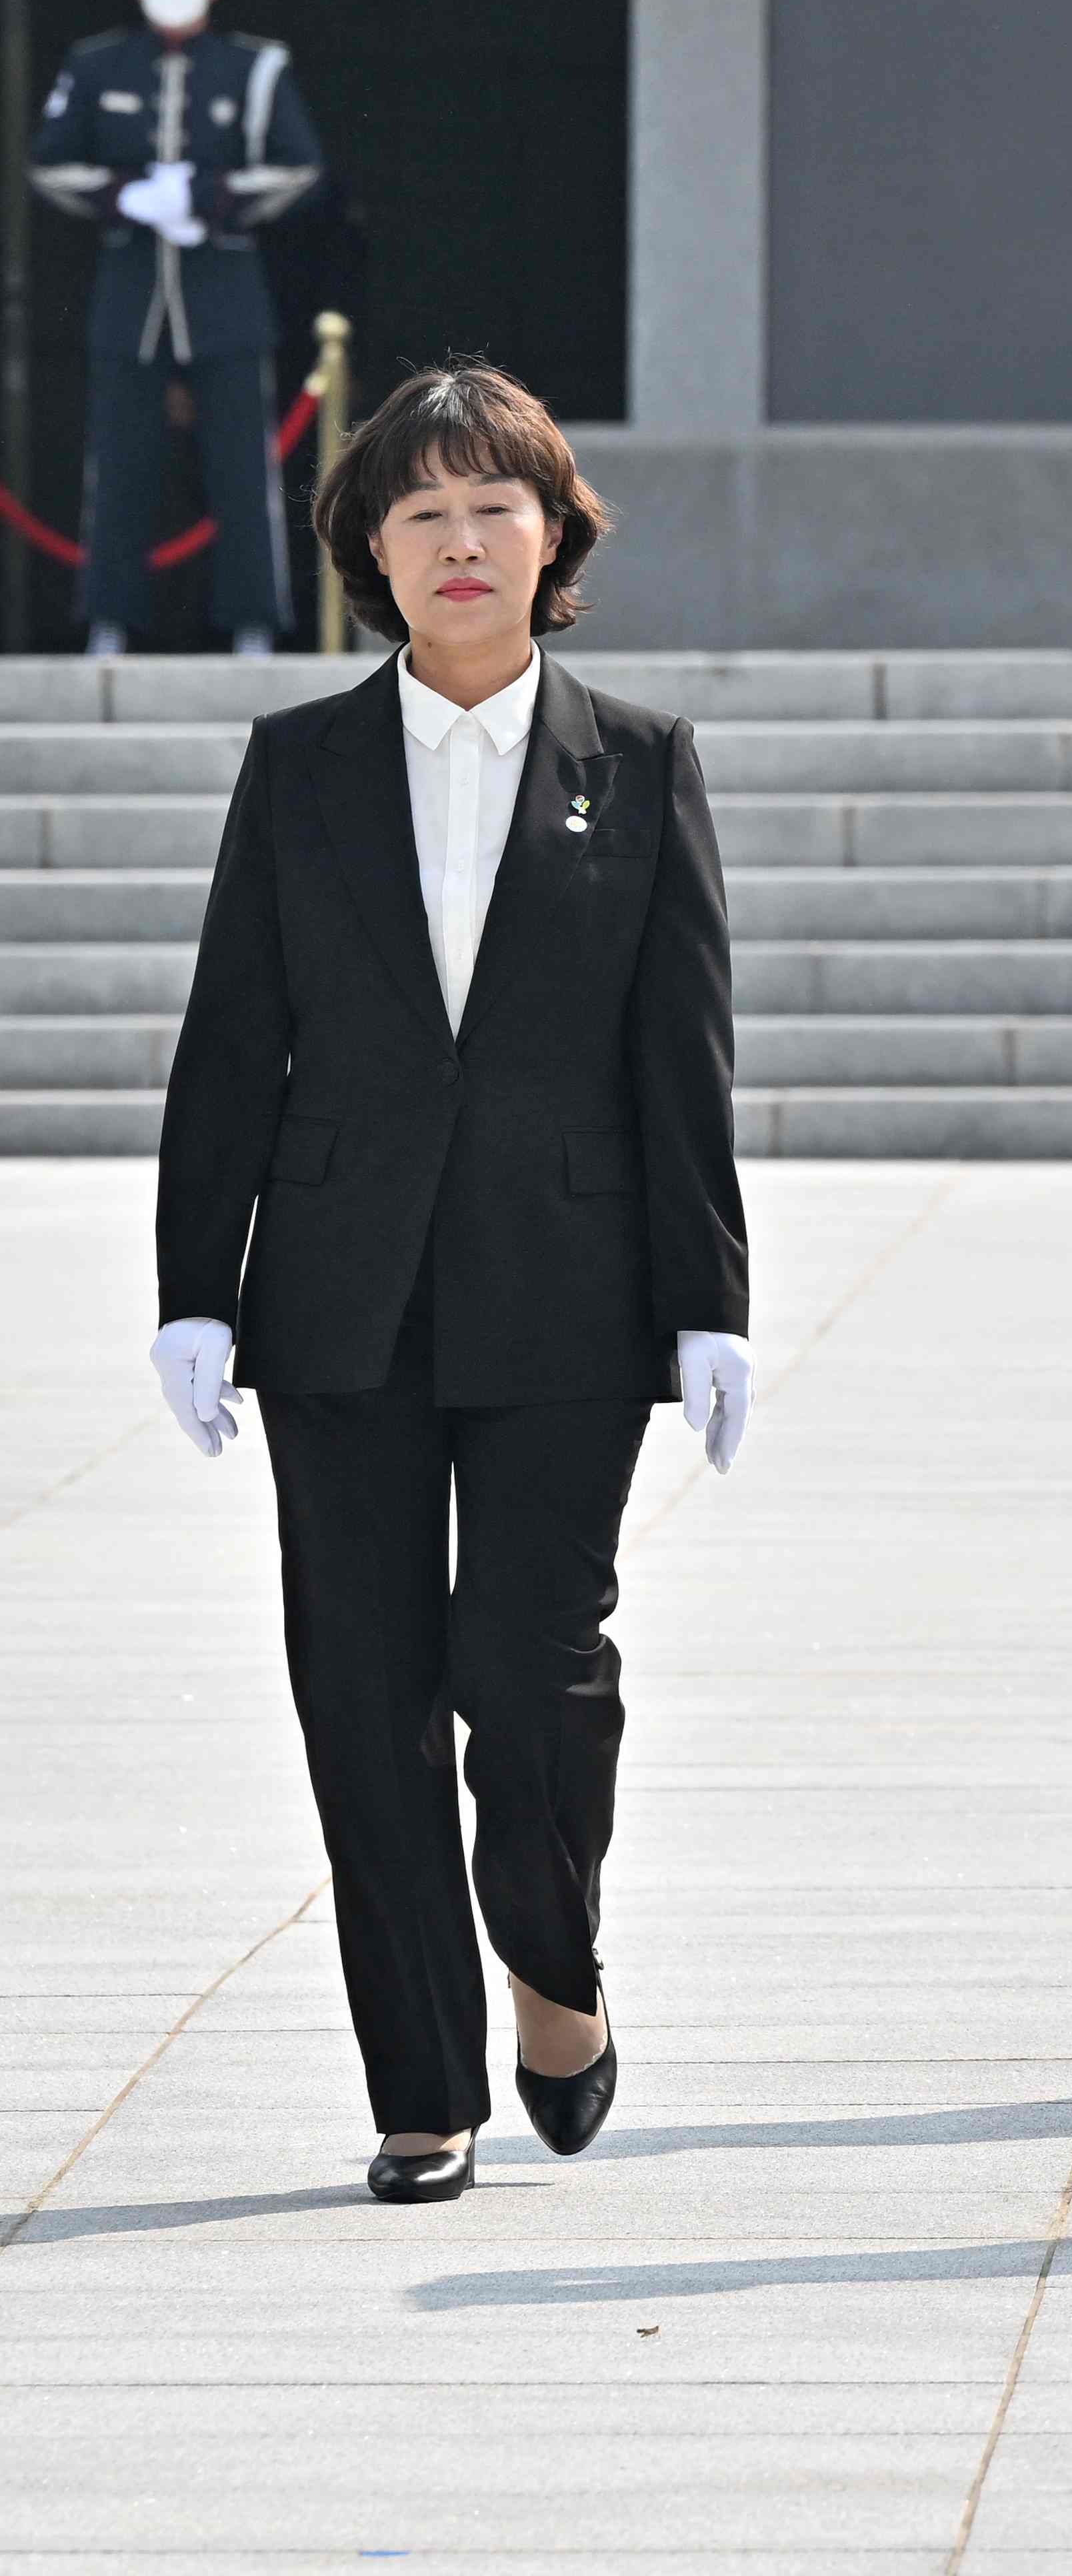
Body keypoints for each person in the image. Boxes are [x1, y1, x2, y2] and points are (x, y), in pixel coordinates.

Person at [143, 363, 749, 2203]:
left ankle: (552, 1976)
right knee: (366, 1689)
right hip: (340, 1295)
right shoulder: (301, 767)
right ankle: (425, 2087)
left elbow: (683, 1054)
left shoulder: (636, 765)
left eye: (498, 505)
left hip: (570, 1293)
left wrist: (710, 1298)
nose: (463, 540)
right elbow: (234, 1038)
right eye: (422, 513)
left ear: (554, 535)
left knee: (534, 1675)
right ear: (371, 556)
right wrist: (195, 1286)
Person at [25, 0, 327, 659]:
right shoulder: (96, 65)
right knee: (119, 464)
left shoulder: (255, 67)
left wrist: (210, 197)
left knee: (240, 466)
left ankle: (255, 623)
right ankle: (108, 623)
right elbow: (50, 163)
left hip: (223, 286)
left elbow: (296, 168)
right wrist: (120, 194)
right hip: (131, 289)